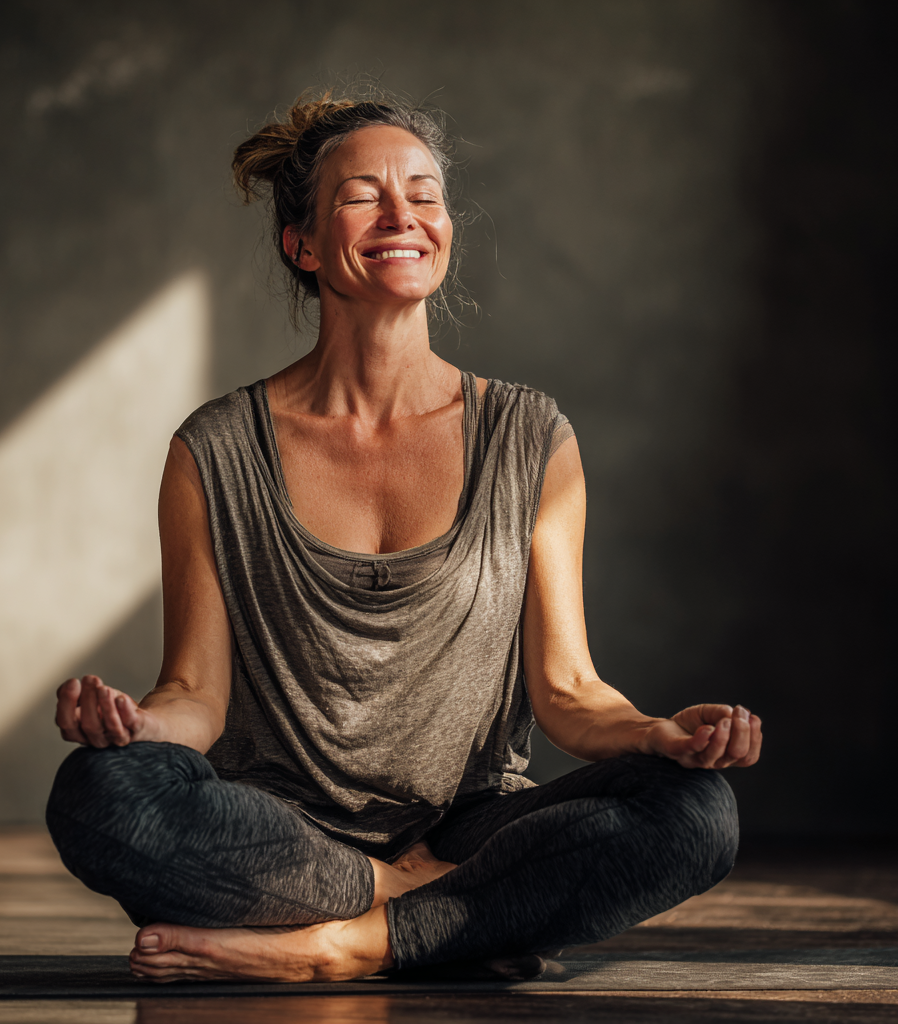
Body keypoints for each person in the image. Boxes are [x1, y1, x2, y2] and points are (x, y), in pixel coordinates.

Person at [46, 92, 761, 984]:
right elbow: (195, 690)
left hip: (470, 823)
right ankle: (440, 912)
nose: (403, 216)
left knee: (697, 812)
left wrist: (657, 735)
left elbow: (571, 690)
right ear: (301, 245)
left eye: (424, 194)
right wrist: (140, 728)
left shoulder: (532, 438)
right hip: (277, 836)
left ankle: (338, 947)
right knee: (100, 796)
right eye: (362, 196)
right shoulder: (216, 449)